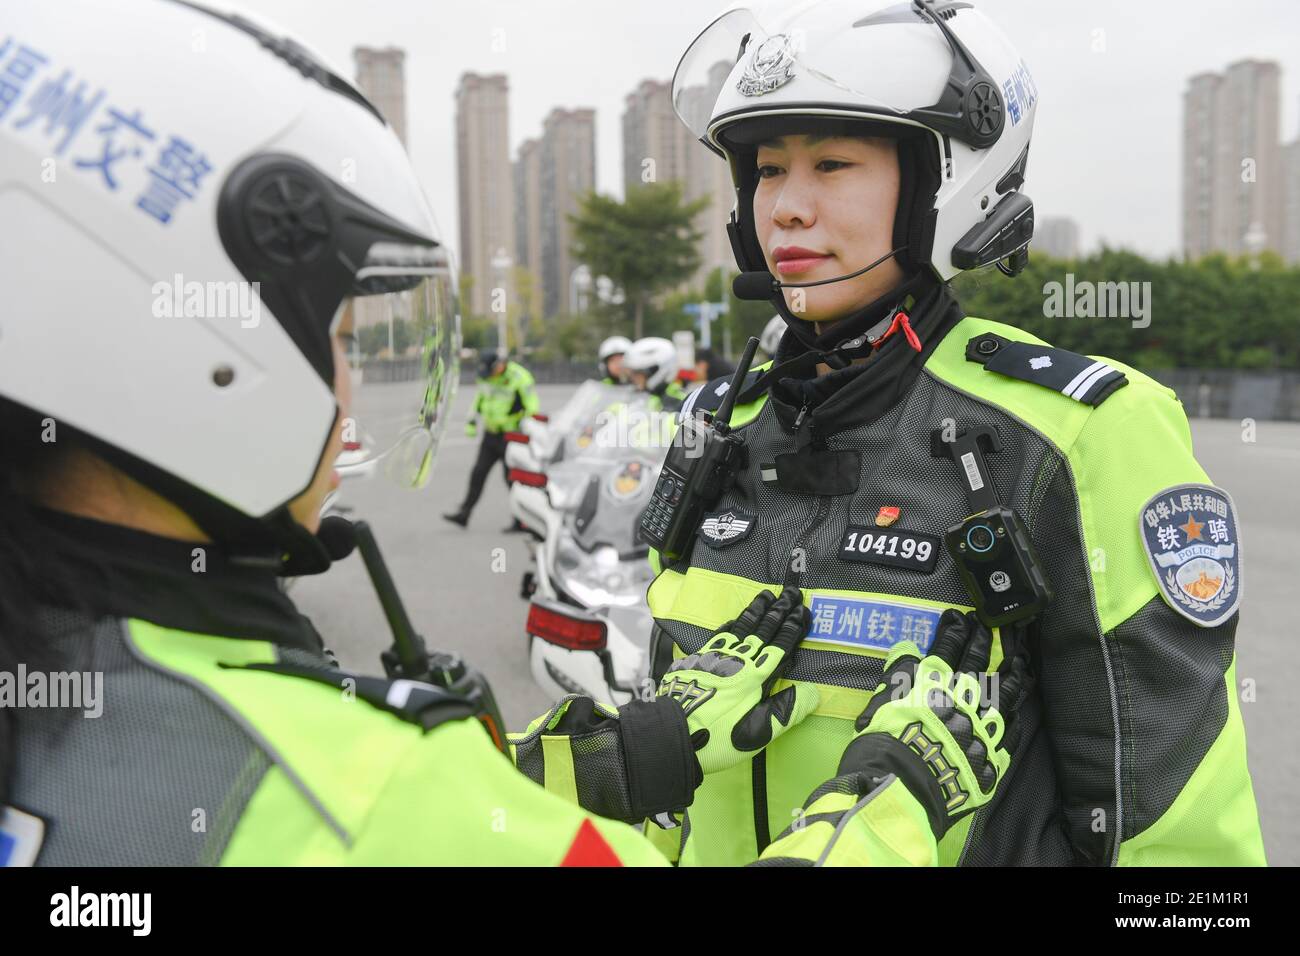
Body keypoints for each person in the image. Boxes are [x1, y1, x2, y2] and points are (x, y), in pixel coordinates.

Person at [4, 0, 982, 869]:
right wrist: (892, 794)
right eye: (342, 339)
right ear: (200, 349)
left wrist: (636, 745)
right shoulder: (367, 798)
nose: (346, 396)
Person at [646, 0, 1266, 866]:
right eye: (766, 169)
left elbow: (1173, 833)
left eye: (831, 163)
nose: (784, 207)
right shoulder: (717, 424)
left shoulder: (1074, 433)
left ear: (944, 183)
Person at [442, 348, 539, 531]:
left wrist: (527, 427)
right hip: (491, 433)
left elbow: (532, 405)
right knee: (478, 473)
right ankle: (464, 514)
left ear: (499, 365)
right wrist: (472, 421)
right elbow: (480, 398)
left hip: (512, 436)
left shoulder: (520, 377)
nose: (488, 376)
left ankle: (521, 521)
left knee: (512, 479)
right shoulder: (485, 376)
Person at [624, 337, 688, 413]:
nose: (633, 378)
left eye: (637, 372)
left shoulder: (680, 402)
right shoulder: (642, 397)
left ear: (656, 372)